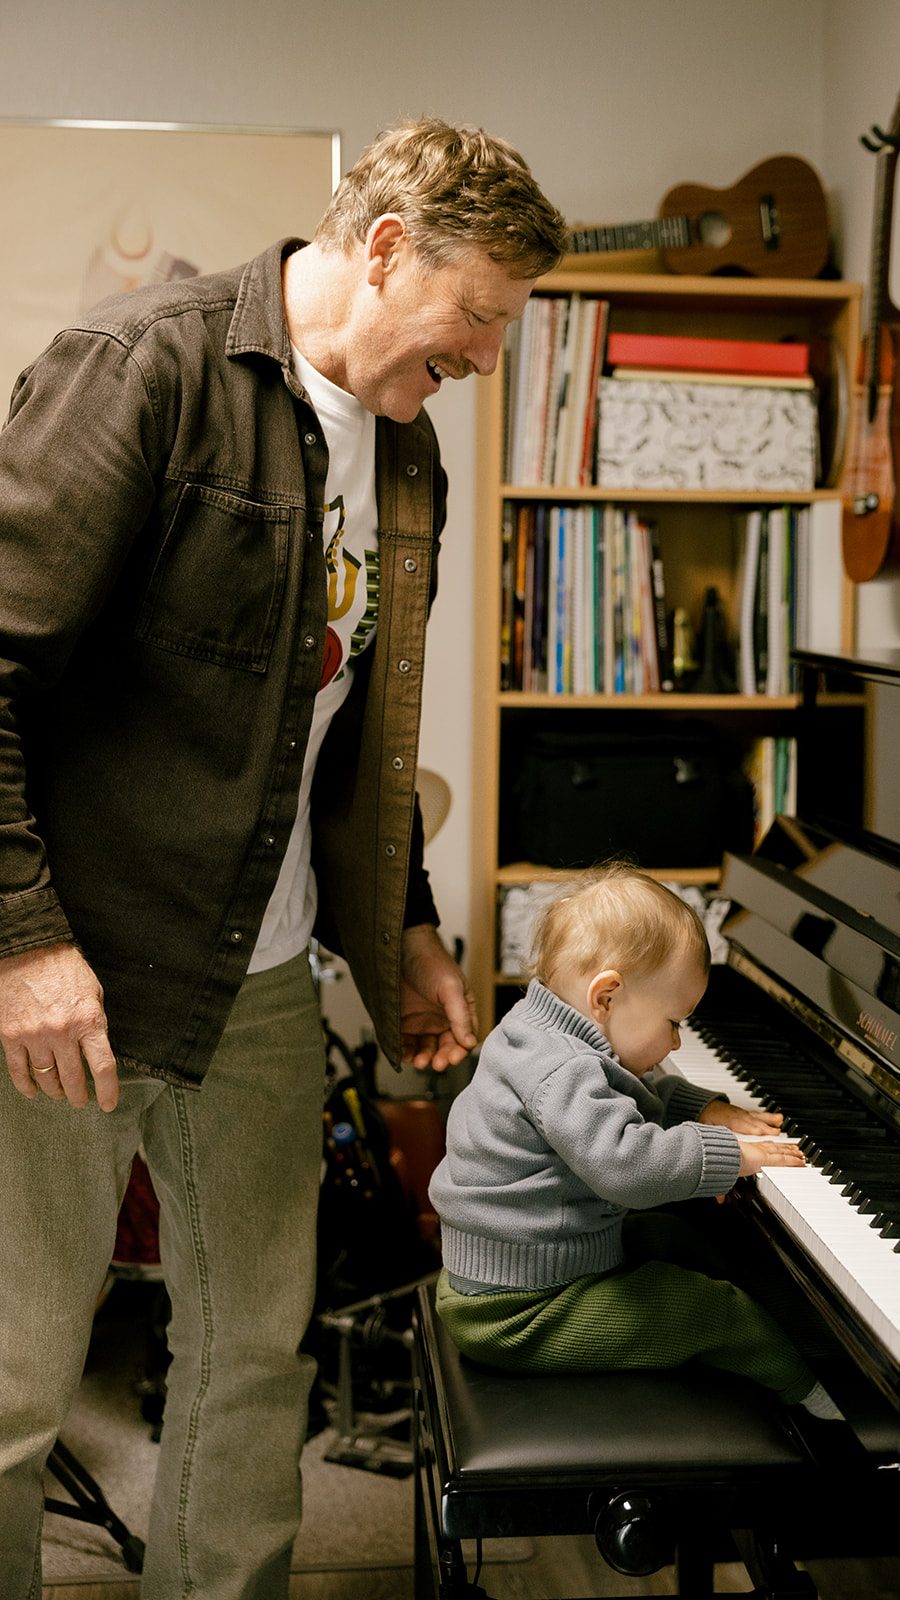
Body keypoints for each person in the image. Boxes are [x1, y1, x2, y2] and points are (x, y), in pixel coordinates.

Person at [0, 118, 567, 1598]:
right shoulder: (144, 373)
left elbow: (353, 732)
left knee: (253, 1362)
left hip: (257, 985)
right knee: (11, 1377)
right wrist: (21, 944)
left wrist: (417, 929)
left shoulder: (410, 452)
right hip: (76, 976)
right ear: (386, 248)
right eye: (480, 320)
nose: (489, 361)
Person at [428, 865, 843, 1419]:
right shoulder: (562, 1072)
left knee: (676, 1237)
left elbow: (626, 1089)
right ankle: (827, 1412)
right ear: (607, 995)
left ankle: (797, 1343)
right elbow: (627, 1167)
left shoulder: (539, 1030)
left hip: (514, 1271)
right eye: (674, 1021)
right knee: (717, 1312)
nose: (675, 1039)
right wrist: (726, 1155)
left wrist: (704, 1108)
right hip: (519, 1312)